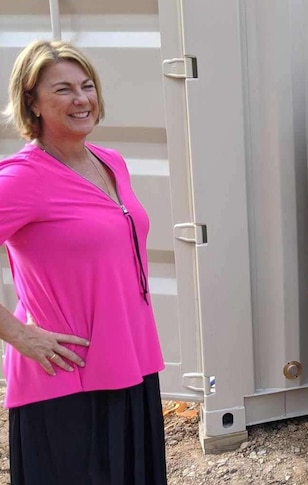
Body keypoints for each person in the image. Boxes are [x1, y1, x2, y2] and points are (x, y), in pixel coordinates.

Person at [0, 40, 167, 483]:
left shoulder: (110, 162)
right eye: (62, 90)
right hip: (66, 377)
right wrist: (19, 335)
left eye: (87, 86)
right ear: (31, 102)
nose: (81, 99)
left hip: (132, 361)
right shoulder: (21, 178)